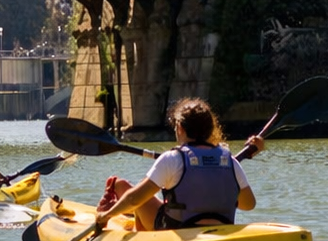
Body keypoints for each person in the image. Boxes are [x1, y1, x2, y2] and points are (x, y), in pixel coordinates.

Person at [96, 97, 263, 232]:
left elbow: (133, 199)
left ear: (180, 128)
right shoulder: (230, 162)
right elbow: (249, 204)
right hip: (222, 229)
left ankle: (137, 236)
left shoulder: (172, 159)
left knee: (125, 188)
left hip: (178, 230)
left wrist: (106, 216)